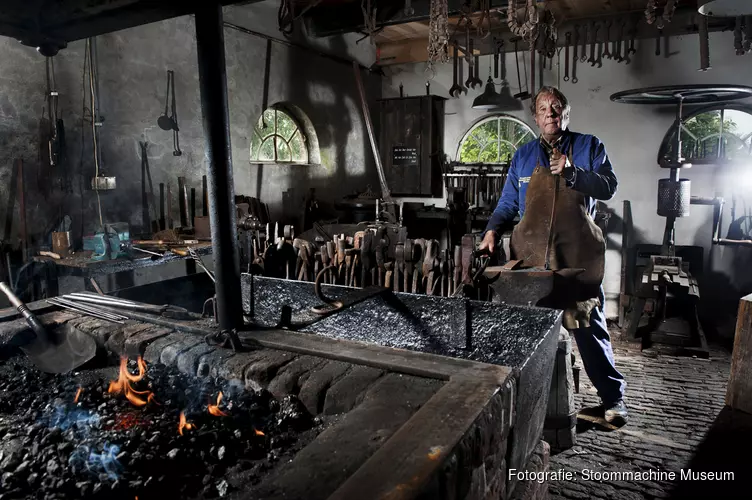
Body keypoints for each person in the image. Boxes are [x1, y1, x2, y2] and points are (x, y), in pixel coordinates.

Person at [479, 86, 628, 425]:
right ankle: (526, 401)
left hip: (576, 259)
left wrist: (574, 172)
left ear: (566, 113)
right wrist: (491, 231)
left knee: (589, 328)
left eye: (556, 107)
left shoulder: (589, 146)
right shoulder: (523, 156)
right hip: (530, 258)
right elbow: (507, 204)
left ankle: (614, 399)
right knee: (526, 331)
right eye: (543, 108)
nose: (550, 113)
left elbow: (609, 186)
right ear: (535, 116)